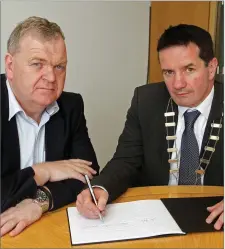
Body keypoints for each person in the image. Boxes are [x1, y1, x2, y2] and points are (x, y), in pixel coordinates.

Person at [76, 24, 224, 230]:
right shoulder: (146, 101)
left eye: (189, 69)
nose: (178, 84)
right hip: (156, 217)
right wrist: (101, 188)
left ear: (211, 68)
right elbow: (126, 160)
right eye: (168, 72)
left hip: (216, 217)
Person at [1, 16, 99, 236]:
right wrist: (42, 171)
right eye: (37, 64)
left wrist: (38, 202)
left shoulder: (71, 106)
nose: (51, 77)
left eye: (59, 67)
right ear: (10, 66)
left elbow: (88, 175)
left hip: (48, 227)